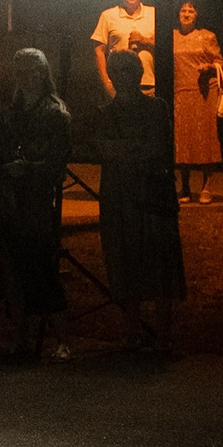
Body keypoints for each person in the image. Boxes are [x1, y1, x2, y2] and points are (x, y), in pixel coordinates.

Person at [96, 48, 183, 352]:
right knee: (125, 260)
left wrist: (126, 150)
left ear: (138, 74)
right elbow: (104, 149)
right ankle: (131, 329)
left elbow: (156, 146)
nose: (122, 77)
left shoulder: (156, 107)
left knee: (160, 264)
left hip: (151, 195)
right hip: (119, 197)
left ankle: (163, 334)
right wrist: (135, 149)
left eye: (127, 70)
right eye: (116, 71)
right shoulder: (105, 112)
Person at [0, 48, 73, 360]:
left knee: (42, 269)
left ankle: (62, 339)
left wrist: (28, 167)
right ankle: (21, 336)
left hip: (37, 204)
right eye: (21, 71)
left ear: (43, 73)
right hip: (9, 201)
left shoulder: (56, 113)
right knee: (13, 272)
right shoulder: (10, 112)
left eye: (32, 70)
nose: (26, 76)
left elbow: (57, 166)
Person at [171, 1, 223, 202]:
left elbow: (221, 62)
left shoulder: (207, 36)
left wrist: (209, 66)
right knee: (182, 139)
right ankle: (184, 188)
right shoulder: (172, 36)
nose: (186, 14)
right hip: (180, 91)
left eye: (190, 10)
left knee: (205, 138)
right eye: (183, 10)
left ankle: (207, 186)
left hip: (204, 91)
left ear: (197, 14)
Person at [93, 0, 158, 97]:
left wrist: (144, 41)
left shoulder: (153, 13)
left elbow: (165, 46)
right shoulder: (108, 15)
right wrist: (106, 83)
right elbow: (99, 50)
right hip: (119, 86)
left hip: (150, 85)